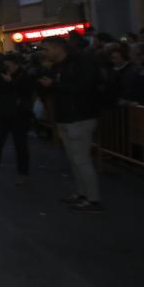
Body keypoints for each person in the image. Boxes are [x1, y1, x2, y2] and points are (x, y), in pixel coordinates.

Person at [38, 37, 102, 212]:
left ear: (58, 48)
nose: (45, 53)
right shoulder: (59, 66)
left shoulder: (79, 63)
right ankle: (82, 193)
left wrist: (55, 84)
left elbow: (84, 87)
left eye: (46, 49)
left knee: (81, 159)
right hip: (66, 116)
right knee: (74, 159)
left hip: (80, 116)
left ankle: (93, 199)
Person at [0, 55, 34, 185]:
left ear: (16, 64)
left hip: (19, 115)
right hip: (2, 114)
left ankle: (23, 174)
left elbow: (27, 92)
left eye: (8, 65)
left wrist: (12, 82)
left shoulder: (24, 76)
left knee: (20, 146)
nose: (6, 68)